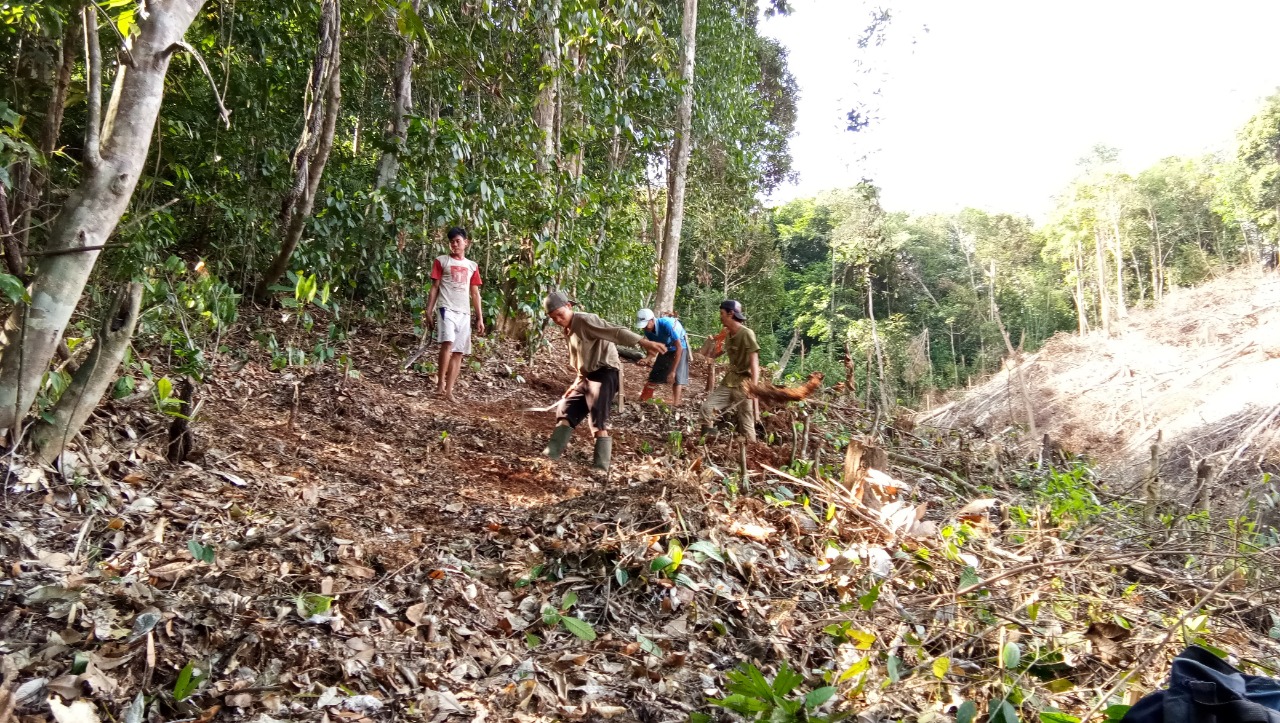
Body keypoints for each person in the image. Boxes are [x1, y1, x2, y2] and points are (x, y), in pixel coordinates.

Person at [542, 291, 667, 472]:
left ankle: (601, 467)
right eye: (553, 318)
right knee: (566, 409)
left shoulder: (585, 320)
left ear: (569, 306)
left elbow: (614, 331)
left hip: (606, 373)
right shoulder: (568, 330)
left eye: (560, 314)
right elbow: (582, 364)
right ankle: (550, 455)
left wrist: (643, 342)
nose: (558, 320)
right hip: (588, 377)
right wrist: (573, 386)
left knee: (597, 417)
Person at [425, 226, 484, 400]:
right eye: (451, 242)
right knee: (448, 342)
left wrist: (479, 317)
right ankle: (440, 384)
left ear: (466, 242)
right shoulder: (442, 261)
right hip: (446, 308)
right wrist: (429, 310)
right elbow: (434, 288)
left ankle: (449, 391)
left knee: (459, 352)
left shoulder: (472, 266)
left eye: (458, 241)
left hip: (464, 312)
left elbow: (475, 293)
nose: (454, 245)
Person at [700, 300, 760, 442]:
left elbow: (755, 362)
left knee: (746, 423)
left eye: (722, 313)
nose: (720, 317)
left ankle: (752, 451)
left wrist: (753, 387)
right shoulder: (727, 334)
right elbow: (713, 354)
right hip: (729, 381)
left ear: (731, 314)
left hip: (744, 383)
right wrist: (710, 344)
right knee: (707, 408)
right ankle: (708, 444)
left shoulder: (747, 333)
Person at [635, 308, 690, 405]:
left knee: (677, 377)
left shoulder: (666, 325)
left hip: (680, 346)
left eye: (646, 325)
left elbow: (679, 348)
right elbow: (654, 348)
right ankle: (645, 399)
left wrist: (673, 371)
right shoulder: (647, 331)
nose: (644, 328)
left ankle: (676, 404)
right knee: (655, 375)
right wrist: (647, 359)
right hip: (665, 347)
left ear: (652, 320)